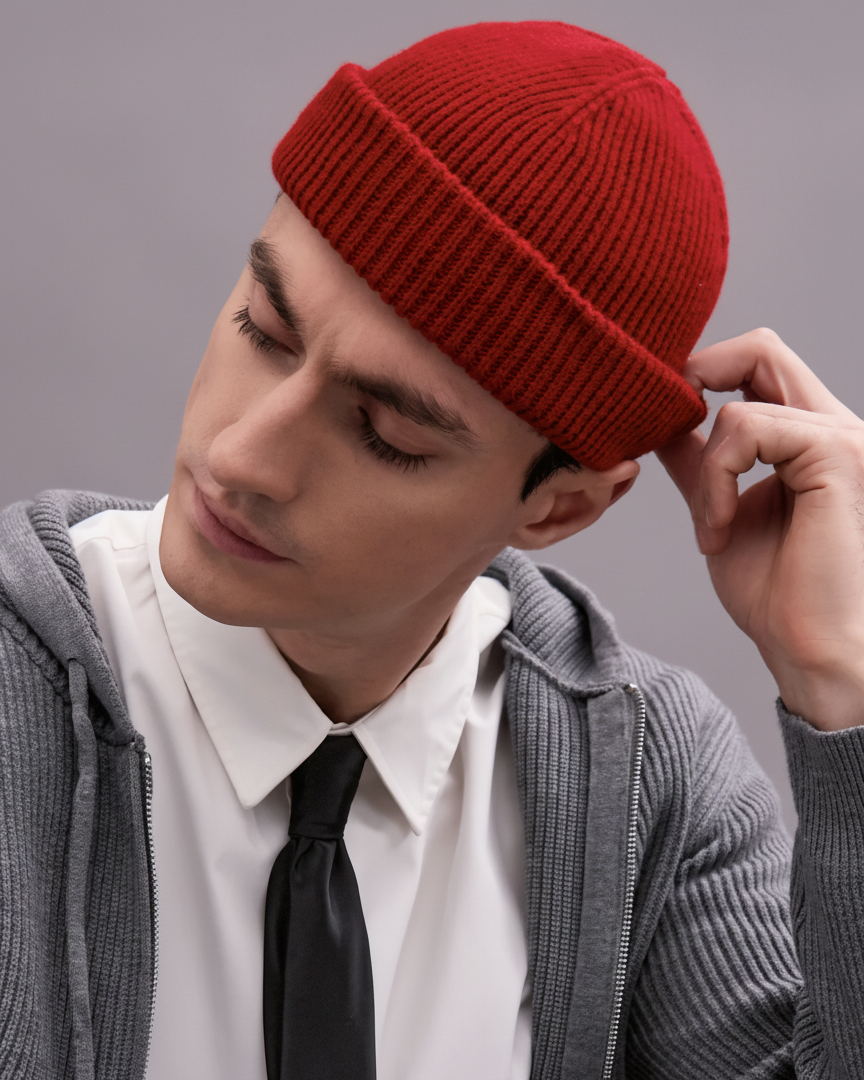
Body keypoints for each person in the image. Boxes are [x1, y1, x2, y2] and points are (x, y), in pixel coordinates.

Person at [1, 19, 863, 1080]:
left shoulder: (651, 787)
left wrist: (844, 683)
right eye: (265, 331)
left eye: (386, 433)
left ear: (559, 509)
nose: (241, 456)